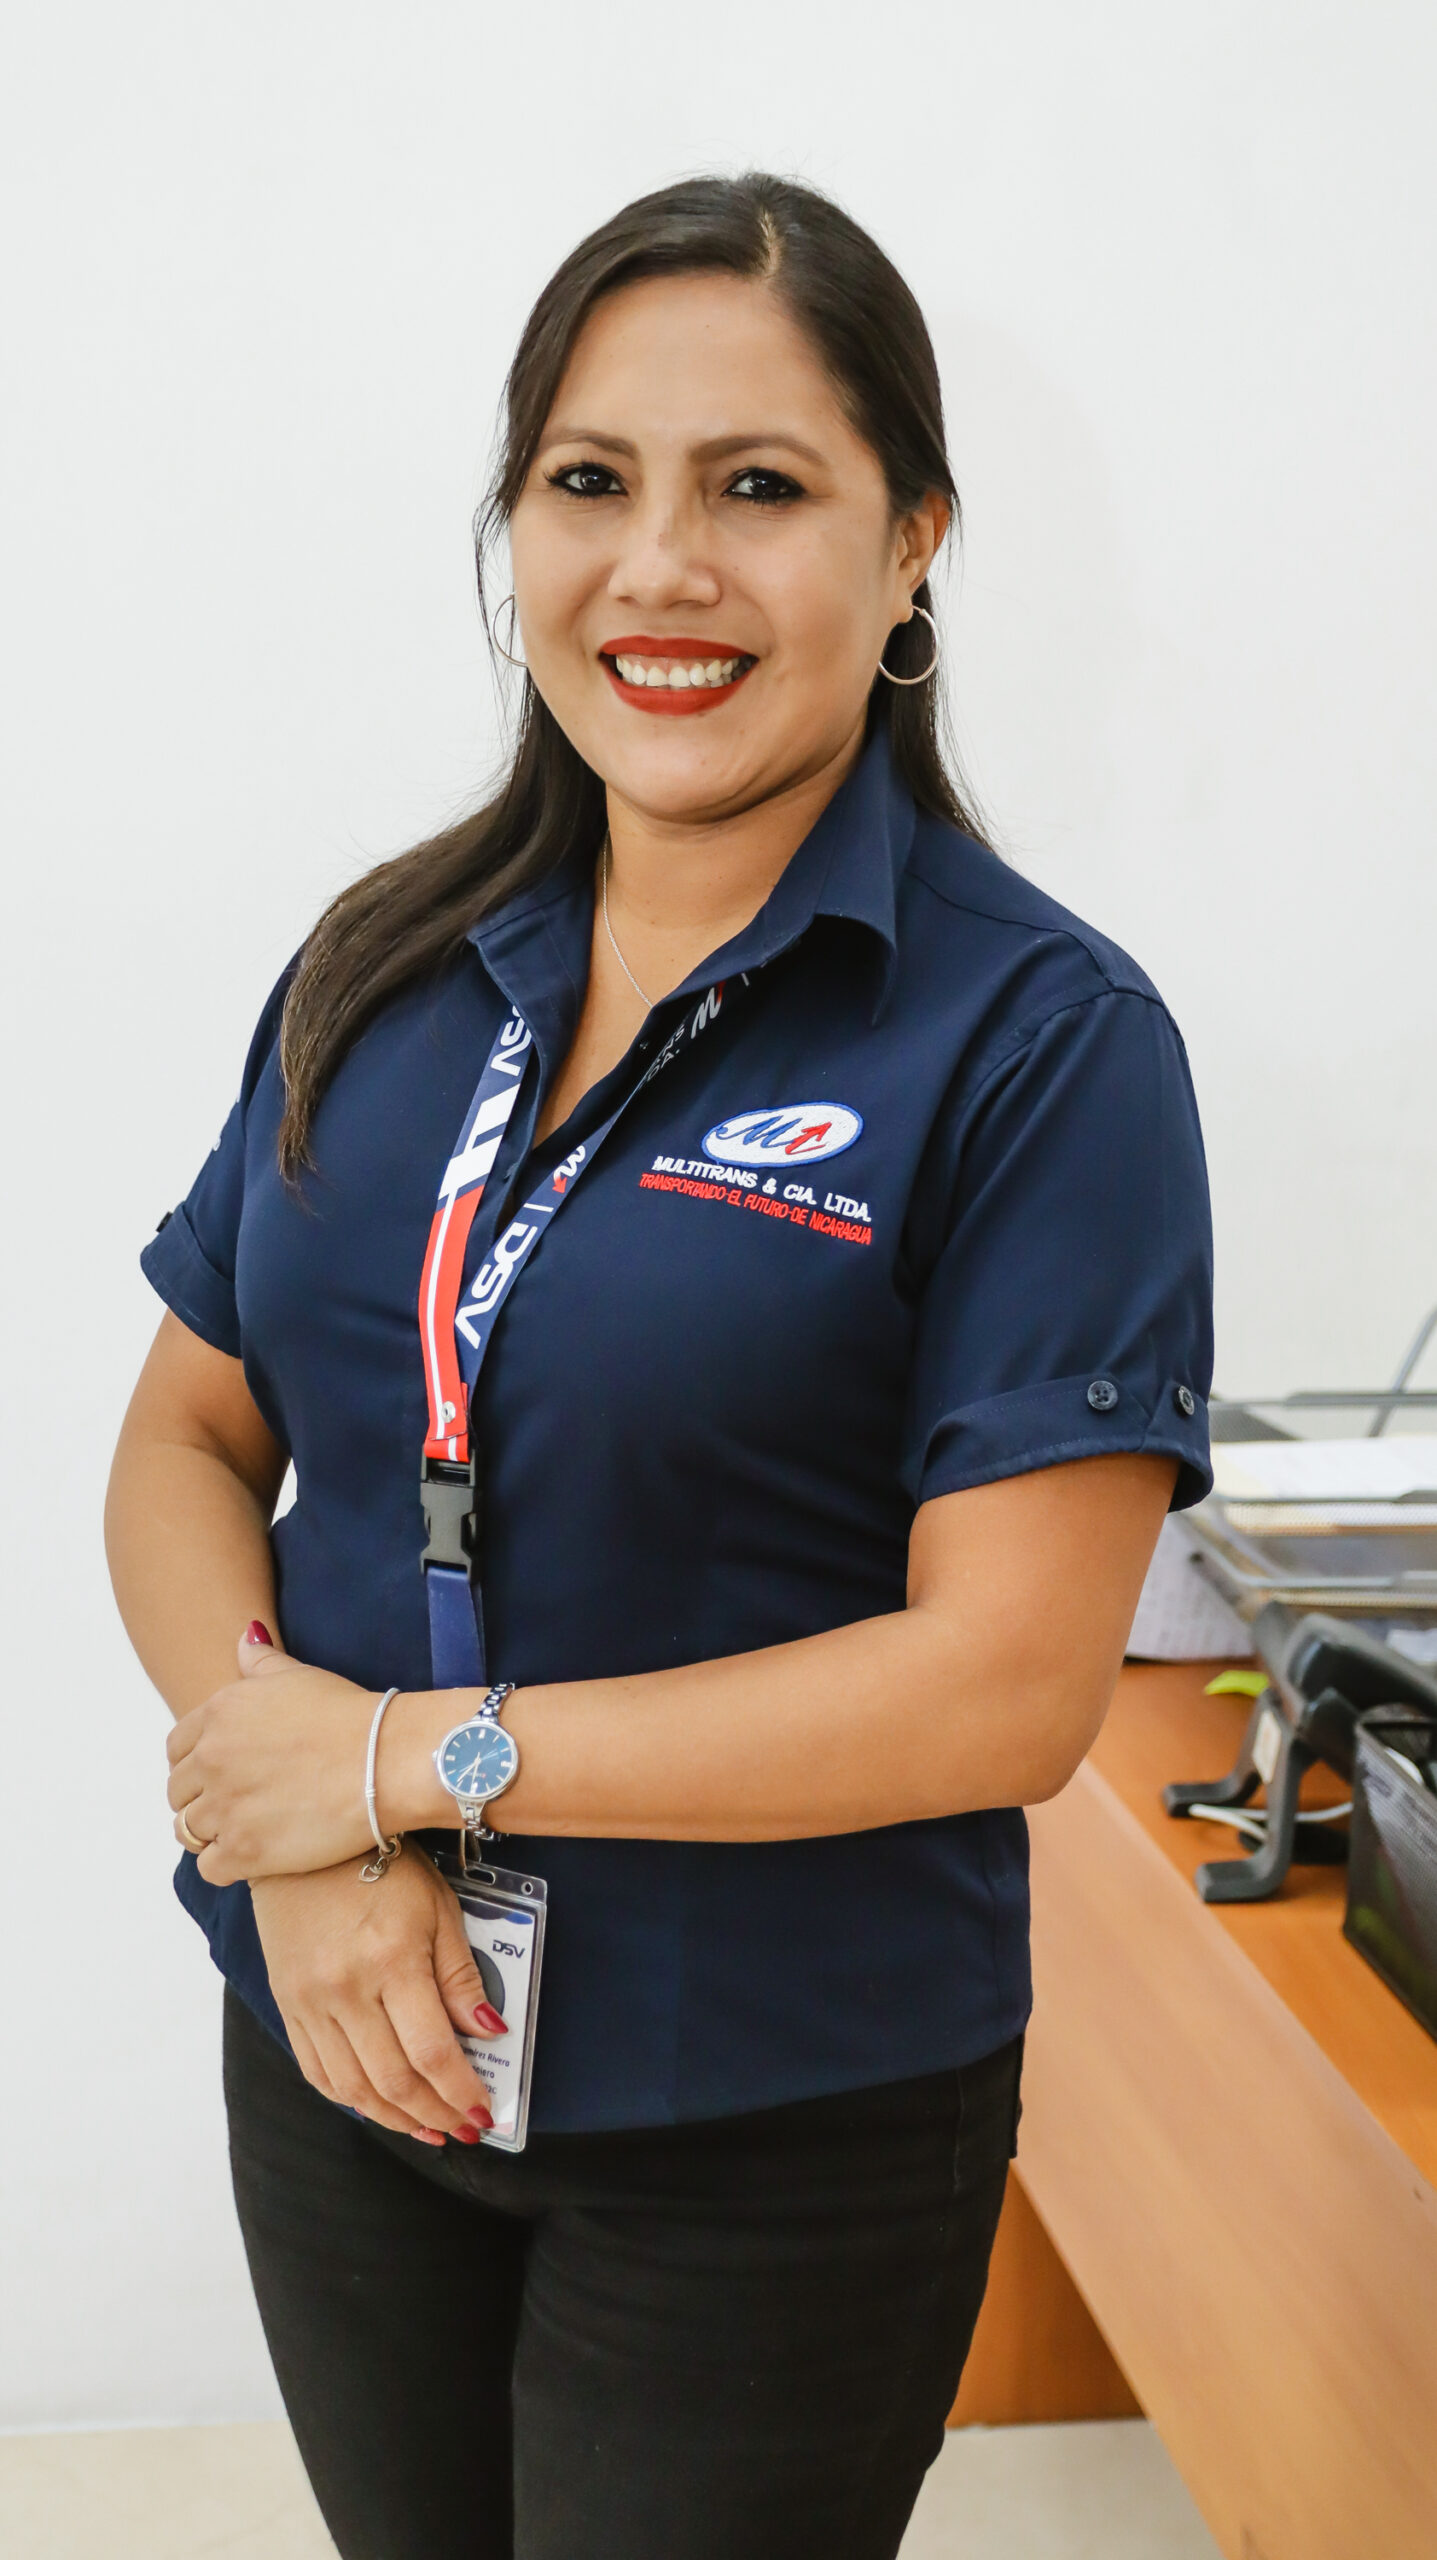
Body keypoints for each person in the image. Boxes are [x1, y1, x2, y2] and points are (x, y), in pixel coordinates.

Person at [106, 171, 1213, 2560]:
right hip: (344, 2034)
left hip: (768, 2117)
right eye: (588, 480)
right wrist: (311, 1840)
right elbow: (187, 1433)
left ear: (909, 544)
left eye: (760, 487)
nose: (658, 568)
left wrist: (406, 1757)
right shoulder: (383, 968)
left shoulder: (1040, 1042)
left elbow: (1003, 1683)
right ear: (512, 524)